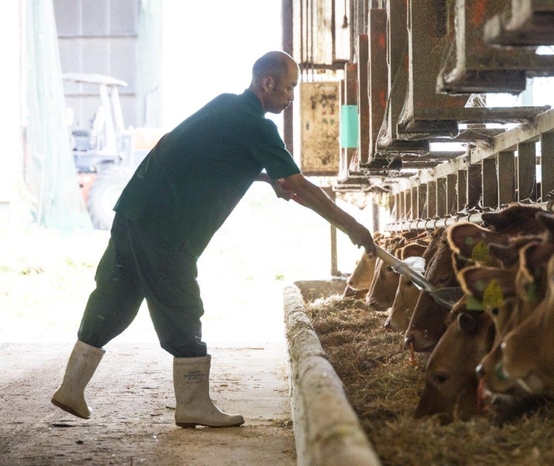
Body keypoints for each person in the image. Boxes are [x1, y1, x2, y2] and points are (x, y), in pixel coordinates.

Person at [51, 50, 376, 428]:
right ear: (267, 83)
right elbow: (300, 185)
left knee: (116, 295)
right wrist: (353, 226)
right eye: (288, 88)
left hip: (134, 211)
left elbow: (190, 147)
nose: (290, 98)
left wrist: (268, 177)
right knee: (182, 307)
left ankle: (71, 388)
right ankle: (193, 404)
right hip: (169, 227)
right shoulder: (258, 126)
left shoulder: (223, 105)